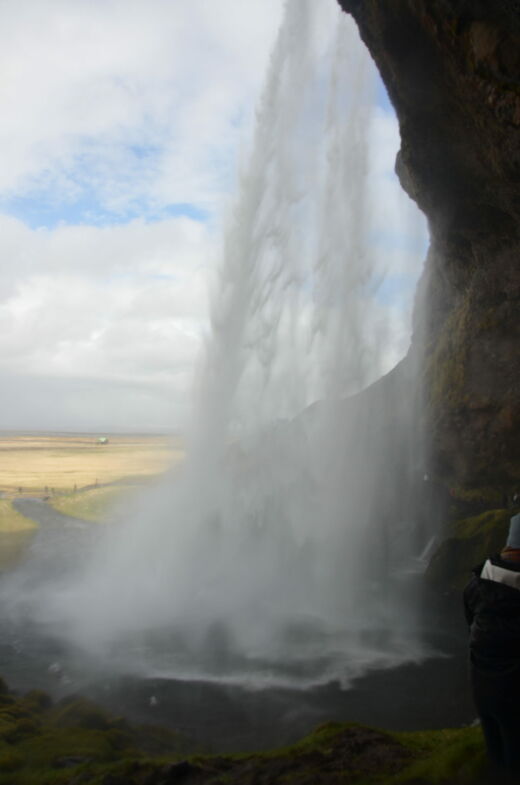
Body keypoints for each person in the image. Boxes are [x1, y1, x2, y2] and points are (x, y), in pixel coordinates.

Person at [464, 513, 520, 782]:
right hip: (513, 688)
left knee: (496, 750)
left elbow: (470, 623)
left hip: (481, 680)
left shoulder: (476, 583)